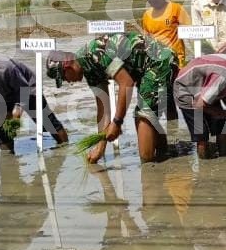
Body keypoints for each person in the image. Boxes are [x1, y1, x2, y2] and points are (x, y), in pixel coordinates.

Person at [46, 32, 175, 163]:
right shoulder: (88, 70)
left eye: (64, 78)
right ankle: (163, 155)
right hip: (143, 70)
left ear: (67, 66)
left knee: (142, 115)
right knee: (145, 115)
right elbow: (103, 109)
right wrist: (100, 147)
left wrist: (117, 122)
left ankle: (149, 170)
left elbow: (126, 83)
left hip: (158, 61)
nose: (68, 82)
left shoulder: (95, 55)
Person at [0, 54, 69, 153]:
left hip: (25, 87)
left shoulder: (4, 68)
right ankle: (8, 158)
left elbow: (24, 89)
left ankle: (65, 147)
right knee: (2, 131)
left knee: (46, 121)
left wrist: (18, 109)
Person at [140, 0, 190, 120]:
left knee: (181, 101)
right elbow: (146, 40)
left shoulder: (176, 9)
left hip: (176, 65)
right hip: (156, 66)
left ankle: (184, 134)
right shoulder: (146, 15)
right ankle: (172, 135)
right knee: (164, 103)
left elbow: (191, 31)